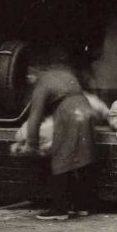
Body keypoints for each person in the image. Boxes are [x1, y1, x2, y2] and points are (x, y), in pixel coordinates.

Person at [20, 47, 99, 220]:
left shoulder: (42, 83)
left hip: (69, 113)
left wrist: (31, 144)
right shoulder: (62, 74)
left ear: (34, 71)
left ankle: (60, 209)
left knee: (62, 158)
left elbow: (35, 117)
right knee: (82, 158)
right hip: (85, 109)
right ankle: (81, 206)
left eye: (28, 75)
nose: (28, 79)